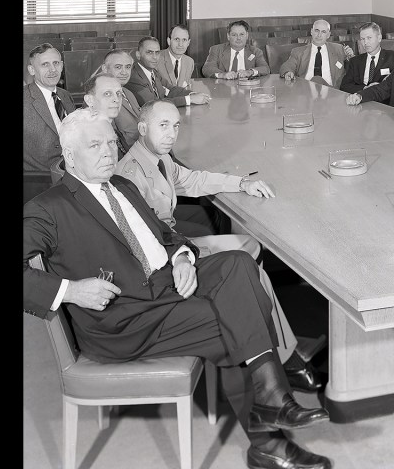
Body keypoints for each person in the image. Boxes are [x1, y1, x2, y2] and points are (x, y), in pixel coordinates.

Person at [24, 110, 332, 469]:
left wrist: (182, 257)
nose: (109, 151)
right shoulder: (49, 207)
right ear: (71, 155)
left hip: (165, 285)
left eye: (111, 142)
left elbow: (165, 235)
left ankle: (271, 400)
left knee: (238, 263)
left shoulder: (121, 185)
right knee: (234, 319)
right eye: (95, 145)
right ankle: (268, 439)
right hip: (125, 319)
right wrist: (70, 290)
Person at [115, 100, 321, 391]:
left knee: (249, 246)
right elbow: (143, 241)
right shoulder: (130, 175)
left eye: (175, 126)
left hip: (176, 246)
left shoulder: (159, 158)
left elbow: (193, 180)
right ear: (142, 128)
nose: (172, 133)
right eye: (163, 126)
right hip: (168, 260)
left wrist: (241, 184)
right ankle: (280, 357)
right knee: (252, 269)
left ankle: (253, 325)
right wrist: (182, 257)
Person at [24, 43, 76, 177]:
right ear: (32, 70)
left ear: (62, 65)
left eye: (56, 63)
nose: (52, 69)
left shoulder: (65, 95)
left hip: (72, 171)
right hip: (39, 179)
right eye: (45, 64)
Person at [127, 35, 208, 107]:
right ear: (138, 55)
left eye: (157, 52)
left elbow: (171, 89)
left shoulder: (152, 72)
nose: (155, 57)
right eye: (149, 52)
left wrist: (192, 94)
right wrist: (189, 99)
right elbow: (153, 104)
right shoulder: (133, 76)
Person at [338, 22, 394, 94]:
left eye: (369, 38)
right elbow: (344, 86)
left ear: (379, 38)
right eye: (362, 39)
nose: (365, 42)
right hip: (360, 100)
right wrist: (365, 88)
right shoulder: (355, 61)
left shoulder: (393, 57)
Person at [280, 19, 353, 87]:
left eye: (323, 32)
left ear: (328, 35)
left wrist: (351, 56)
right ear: (311, 31)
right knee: (316, 80)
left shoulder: (339, 49)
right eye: (317, 31)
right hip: (306, 90)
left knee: (318, 80)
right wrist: (288, 72)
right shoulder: (298, 51)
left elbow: (354, 67)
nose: (319, 35)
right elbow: (287, 66)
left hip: (332, 91)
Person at [203, 20, 269, 79]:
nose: (238, 38)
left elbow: (265, 68)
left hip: (247, 88)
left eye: (242, 34)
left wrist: (250, 72)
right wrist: (223, 75)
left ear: (247, 35)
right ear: (228, 36)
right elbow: (207, 69)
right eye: (234, 35)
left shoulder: (255, 51)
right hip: (223, 87)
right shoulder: (216, 50)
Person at [156, 24, 198, 88]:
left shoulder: (189, 62)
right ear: (169, 41)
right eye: (177, 39)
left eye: (184, 40)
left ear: (188, 43)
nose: (180, 44)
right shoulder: (156, 59)